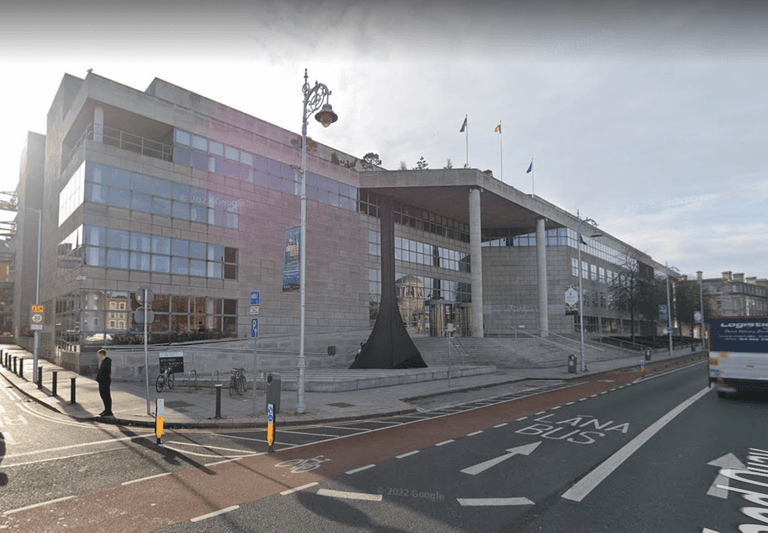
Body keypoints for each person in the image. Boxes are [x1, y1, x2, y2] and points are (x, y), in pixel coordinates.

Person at [96, 349, 113, 417]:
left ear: (102, 354)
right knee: (103, 396)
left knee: (106, 396)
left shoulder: (107, 361)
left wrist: (101, 379)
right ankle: (106, 409)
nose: (98, 356)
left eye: (99, 355)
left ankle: (108, 410)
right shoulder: (104, 361)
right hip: (102, 381)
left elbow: (106, 372)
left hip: (105, 381)